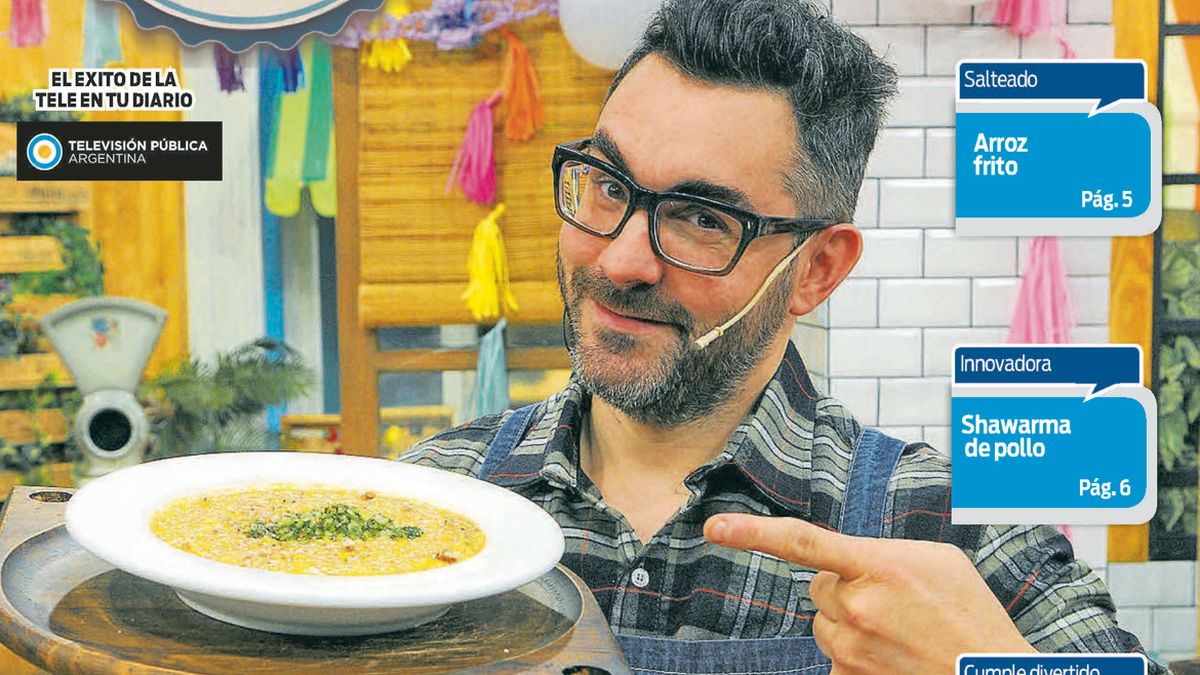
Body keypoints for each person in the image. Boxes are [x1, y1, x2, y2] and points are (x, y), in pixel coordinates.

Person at [402, 0, 1165, 673]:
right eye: (608, 187)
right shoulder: (435, 495)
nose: (620, 257)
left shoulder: (941, 524)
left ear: (817, 270)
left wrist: (986, 670)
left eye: (702, 218)